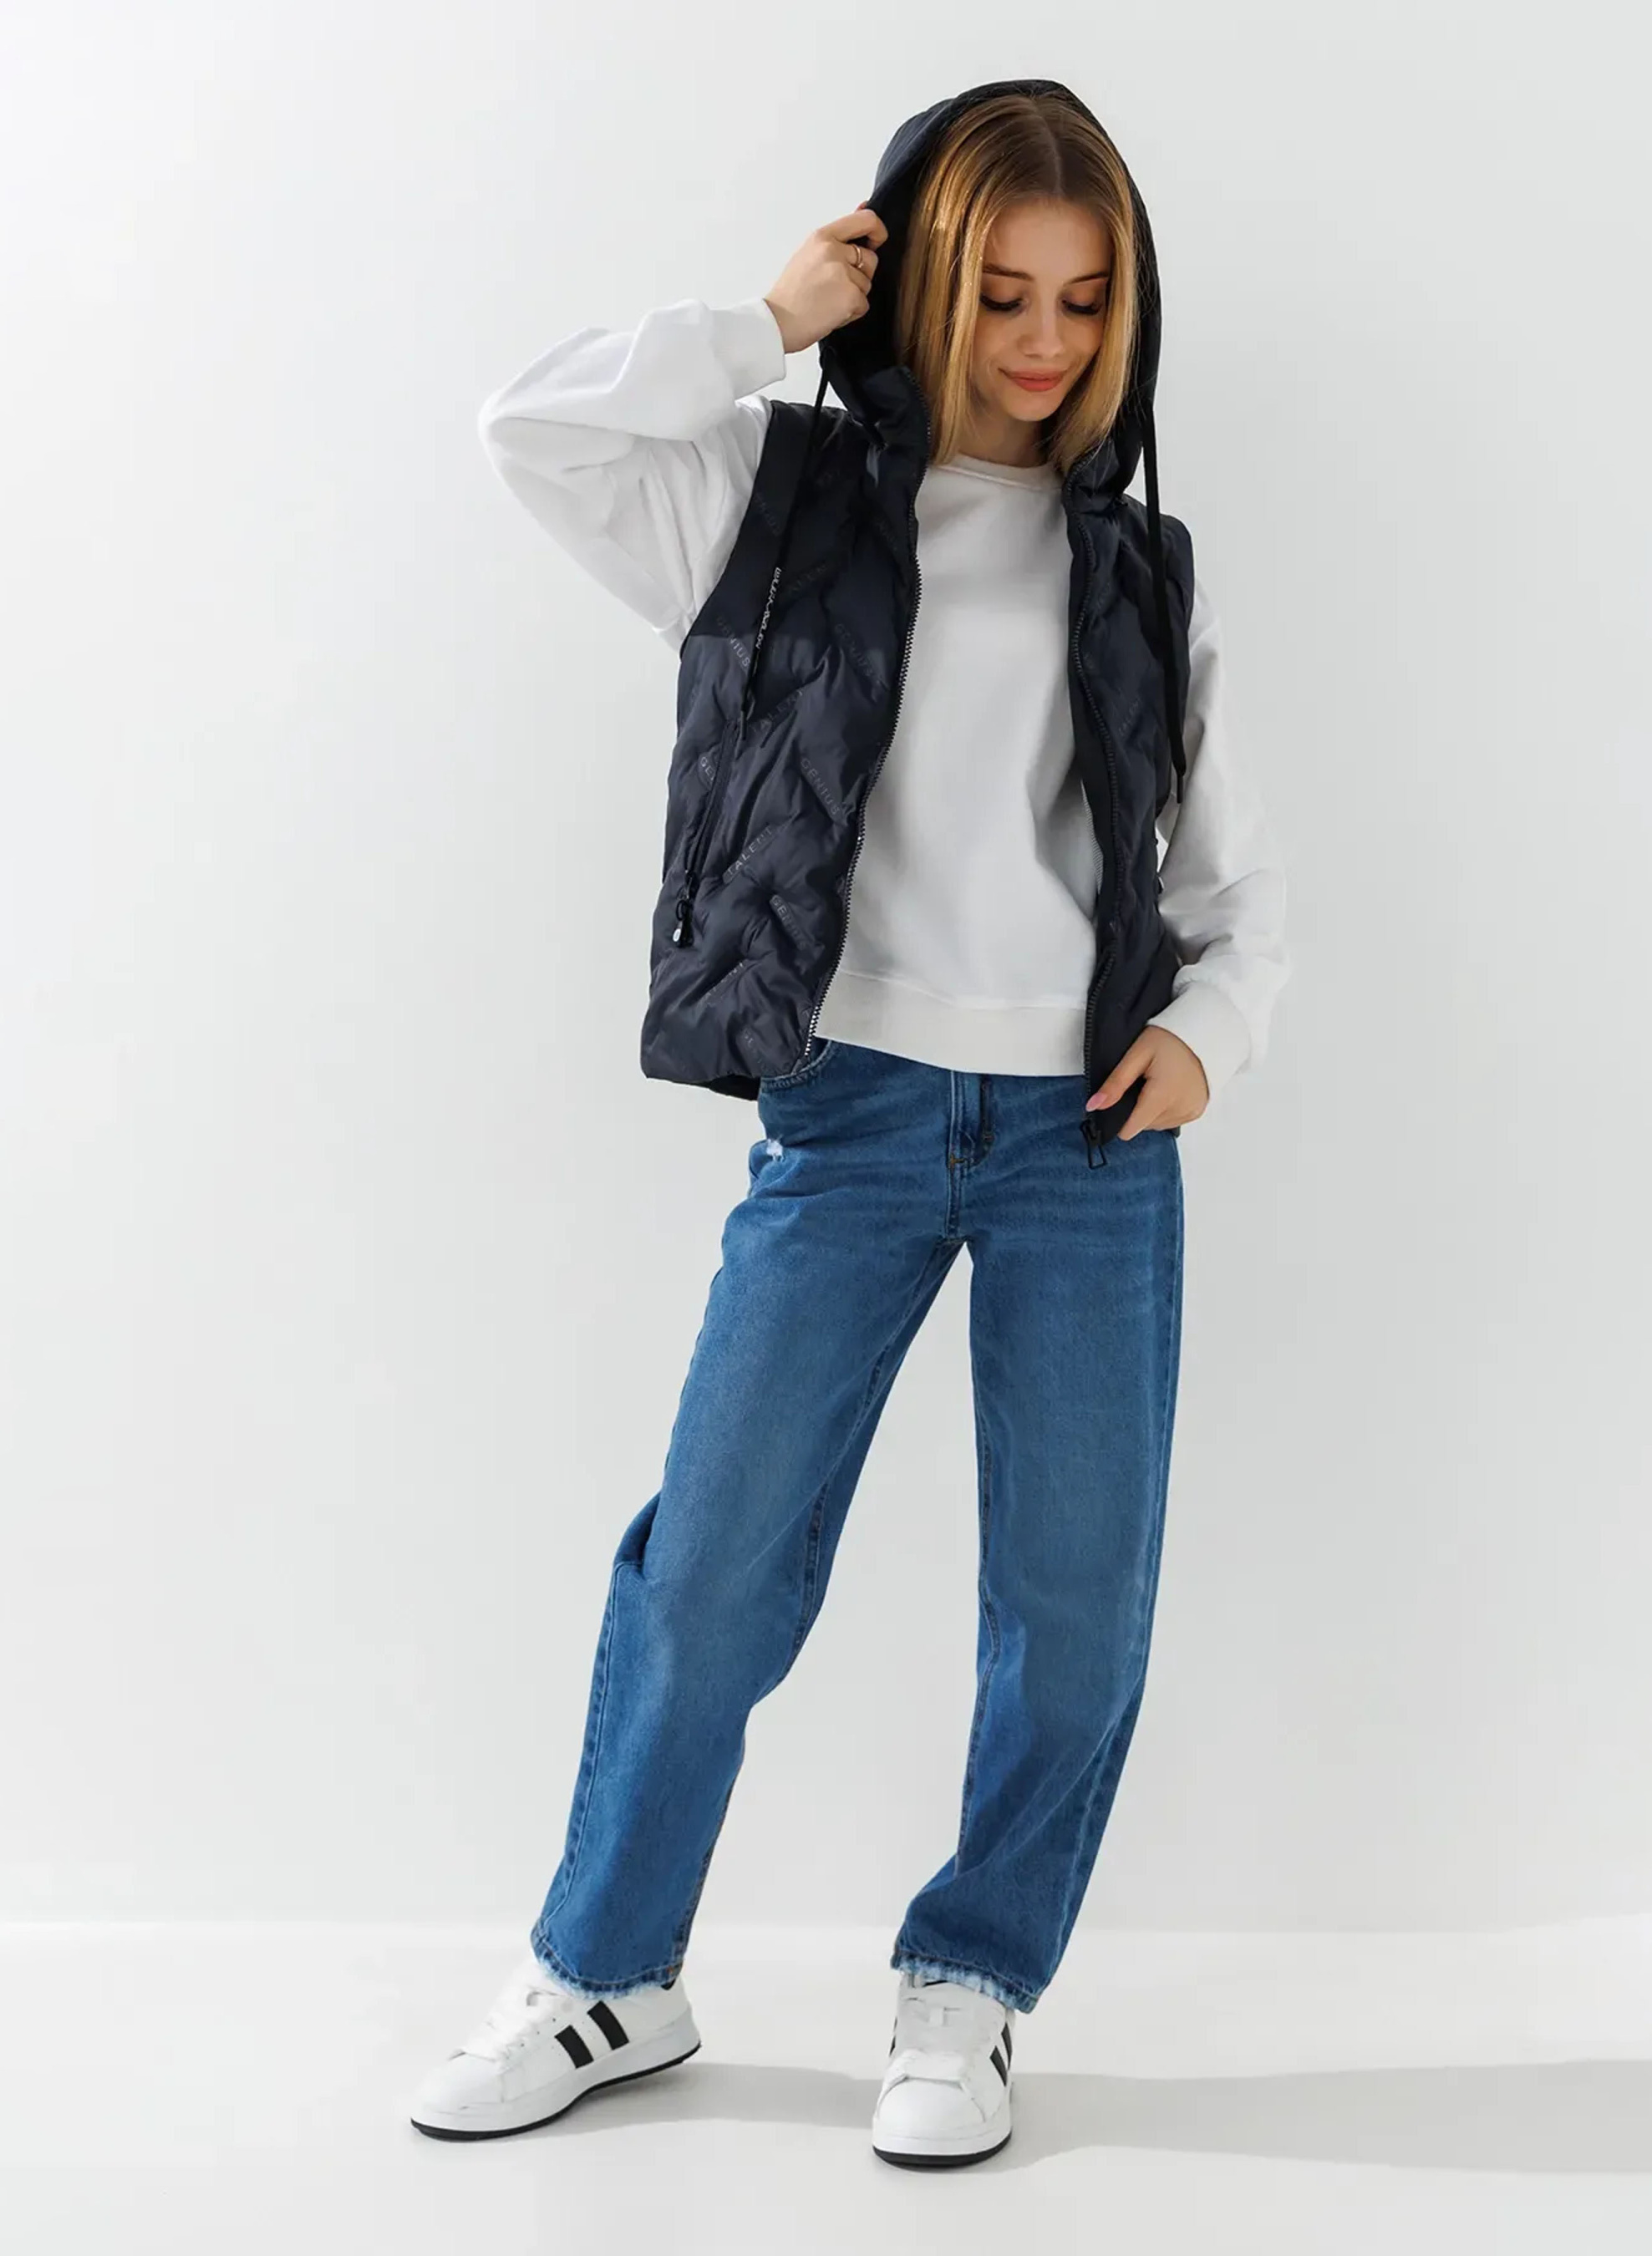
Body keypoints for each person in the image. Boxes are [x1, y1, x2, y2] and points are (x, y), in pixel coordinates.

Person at [409, 77, 1289, 2167]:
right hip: (849, 1109)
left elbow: (1230, 884)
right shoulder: (767, 497)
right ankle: (608, 1973)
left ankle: (970, 1984)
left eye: (1085, 299)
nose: (1045, 341)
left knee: (1071, 1608)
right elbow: (529, 431)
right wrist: (757, 324)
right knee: (711, 1570)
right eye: (1000, 293)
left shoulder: (1140, 561)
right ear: (920, 281)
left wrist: (1214, 1033)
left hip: (1089, 1131)